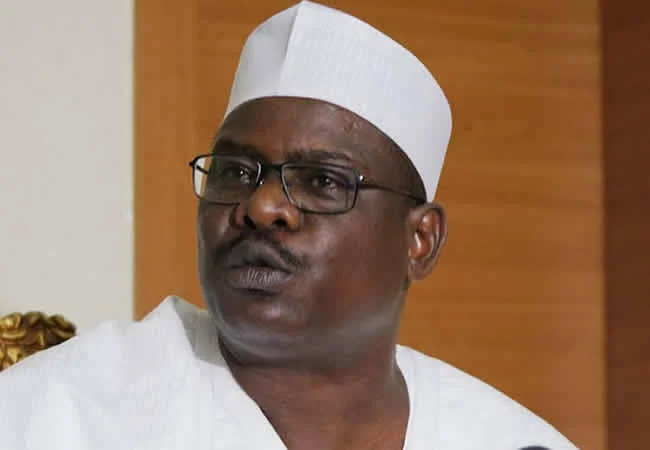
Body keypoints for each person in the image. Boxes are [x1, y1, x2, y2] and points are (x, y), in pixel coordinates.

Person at [0, 2, 577, 449]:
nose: (262, 207)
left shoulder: (504, 440)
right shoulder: (54, 415)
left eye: (322, 180)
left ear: (420, 240)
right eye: (235, 172)